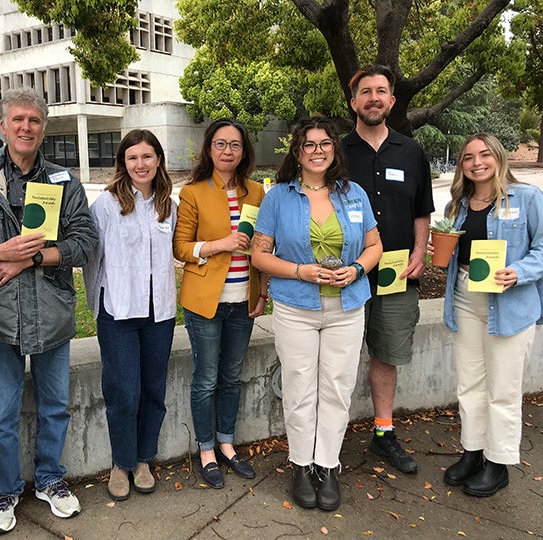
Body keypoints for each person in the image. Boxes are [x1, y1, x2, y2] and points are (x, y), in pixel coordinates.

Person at [0, 88, 97, 534]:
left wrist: (30, 258)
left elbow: (85, 242)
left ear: (44, 127)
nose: (26, 127)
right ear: (2, 125)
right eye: (17, 119)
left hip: (51, 312)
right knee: (1, 412)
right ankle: (5, 488)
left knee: (54, 405)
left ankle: (50, 479)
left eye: (34, 120)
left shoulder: (63, 180)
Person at [251, 117, 382, 511]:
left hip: (347, 305)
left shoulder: (354, 194)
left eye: (325, 143)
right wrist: (299, 271)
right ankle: (301, 465)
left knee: (338, 386)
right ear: (297, 151)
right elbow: (259, 254)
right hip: (297, 307)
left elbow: (374, 245)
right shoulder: (278, 198)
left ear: (334, 150)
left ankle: (327, 465)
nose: (318, 150)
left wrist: (357, 268)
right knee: (299, 387)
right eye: (309, 144)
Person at [438, 133, 543, 497]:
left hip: (509, 302)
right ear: (461, 165)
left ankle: (498, 463)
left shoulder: (527, 198)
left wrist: (520, 272)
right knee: (469, 384)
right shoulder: (459, 204)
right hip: (466, 297)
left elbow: (542, 248)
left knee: (503, 389)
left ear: (498, 158)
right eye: (468, 157)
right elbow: (452, 247)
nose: (476, 162)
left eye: (484, 155)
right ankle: (473, 452)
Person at [342, 65, 434, 474]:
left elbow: (422, 211)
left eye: (381, 91)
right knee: (340, 357)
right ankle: (329, 437)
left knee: (387, 353)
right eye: (366, 92)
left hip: (397, 274)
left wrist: (420, 254)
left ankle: (383, 432)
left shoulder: (411, 152)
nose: (374, 98)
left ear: (392, 101)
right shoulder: (337, 152)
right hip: (348, 274)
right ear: (354, 102)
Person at [173, 118, 268, 489]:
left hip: (243, 299)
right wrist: (220, 245)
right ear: (208, 149)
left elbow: (265, 244)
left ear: (244, 152)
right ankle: (207, 450)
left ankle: (227, 443)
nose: (227, 151)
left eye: (235, 145)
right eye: (220, 144)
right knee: (206, 379)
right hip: (205, 302)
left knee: (232, 377)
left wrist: (262, 292)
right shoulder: (193, 193)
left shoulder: (258, 192)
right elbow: (180, 248)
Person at [83, 129, 177, 501]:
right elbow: (92, 260)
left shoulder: (170, 203)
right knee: (123, 391)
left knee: (153, 389)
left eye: (147, 156)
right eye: (132, 157)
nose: (141, 164)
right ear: (123, 162)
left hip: (160, 311)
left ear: (158, 160)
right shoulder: (106, 205)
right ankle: (121, 463)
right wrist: (96, 305)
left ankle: (143, 460)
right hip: (118, 309)